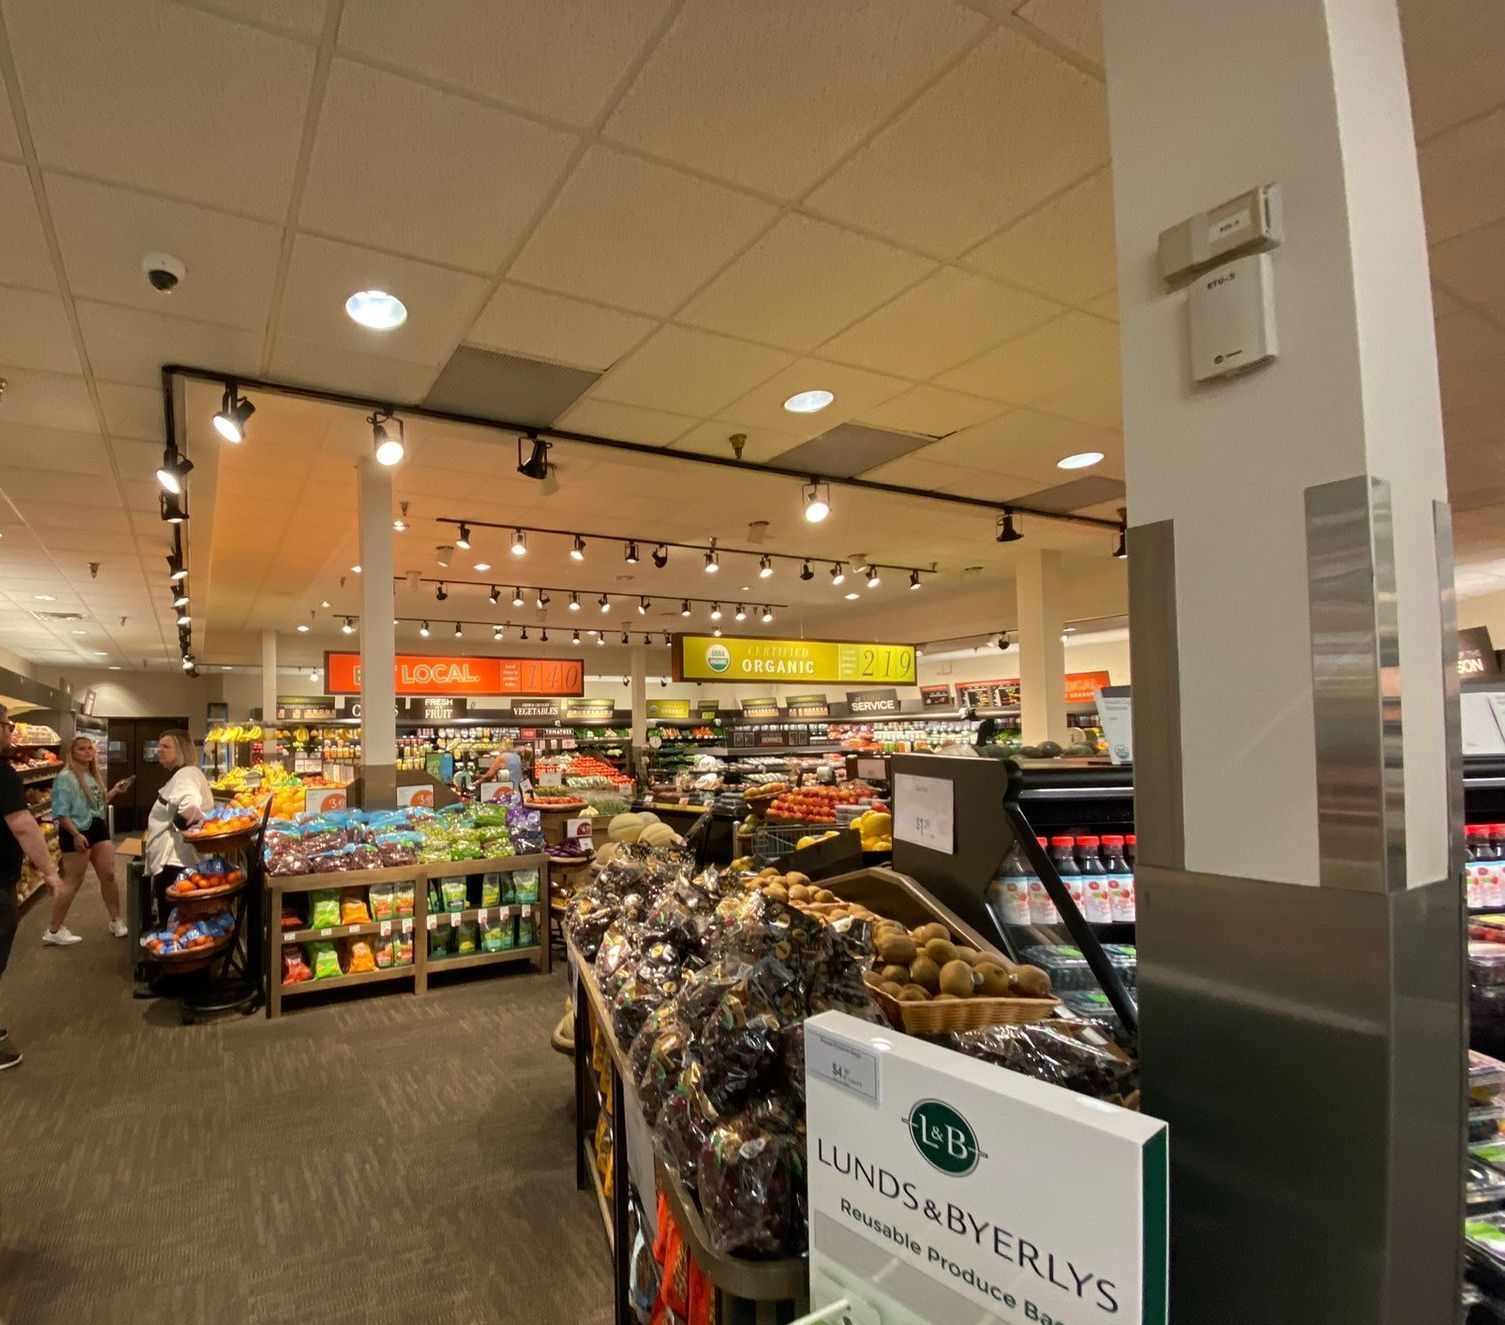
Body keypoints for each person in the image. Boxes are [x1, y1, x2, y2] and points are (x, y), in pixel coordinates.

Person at [0, 704, 66, 1071]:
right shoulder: (4, 774)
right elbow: (24, 825)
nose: (10, 732)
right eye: (6, 725)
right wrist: (51, 873)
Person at [45, 735, 133, 944]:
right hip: (76, 831)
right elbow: (60, 811)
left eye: (89, 748)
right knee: (73, 881)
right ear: (72, 753)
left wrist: (114, 791)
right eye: (82, 749)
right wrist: (75, 834)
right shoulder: (65, 777)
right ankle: (54, 930)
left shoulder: (92, 775)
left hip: (97, 827)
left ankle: (115, 920)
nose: (87, 752)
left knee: (109, 875)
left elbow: (98, 804)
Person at [143, 730, 213, 925]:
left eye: (166, 746)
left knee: (175, 919)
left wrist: (179, 825)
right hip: (177, 860)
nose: (160, 750)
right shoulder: (183, 774)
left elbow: (192, 807)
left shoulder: (185, 774)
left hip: (176, 862)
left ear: (181, 750)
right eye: (159, 746)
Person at [481, 737, 527, 801]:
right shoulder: (517, 757)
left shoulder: (501, 757)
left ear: (501, 746)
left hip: (505, 792)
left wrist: (479, 781)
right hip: (517, 792)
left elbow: (489, 774)